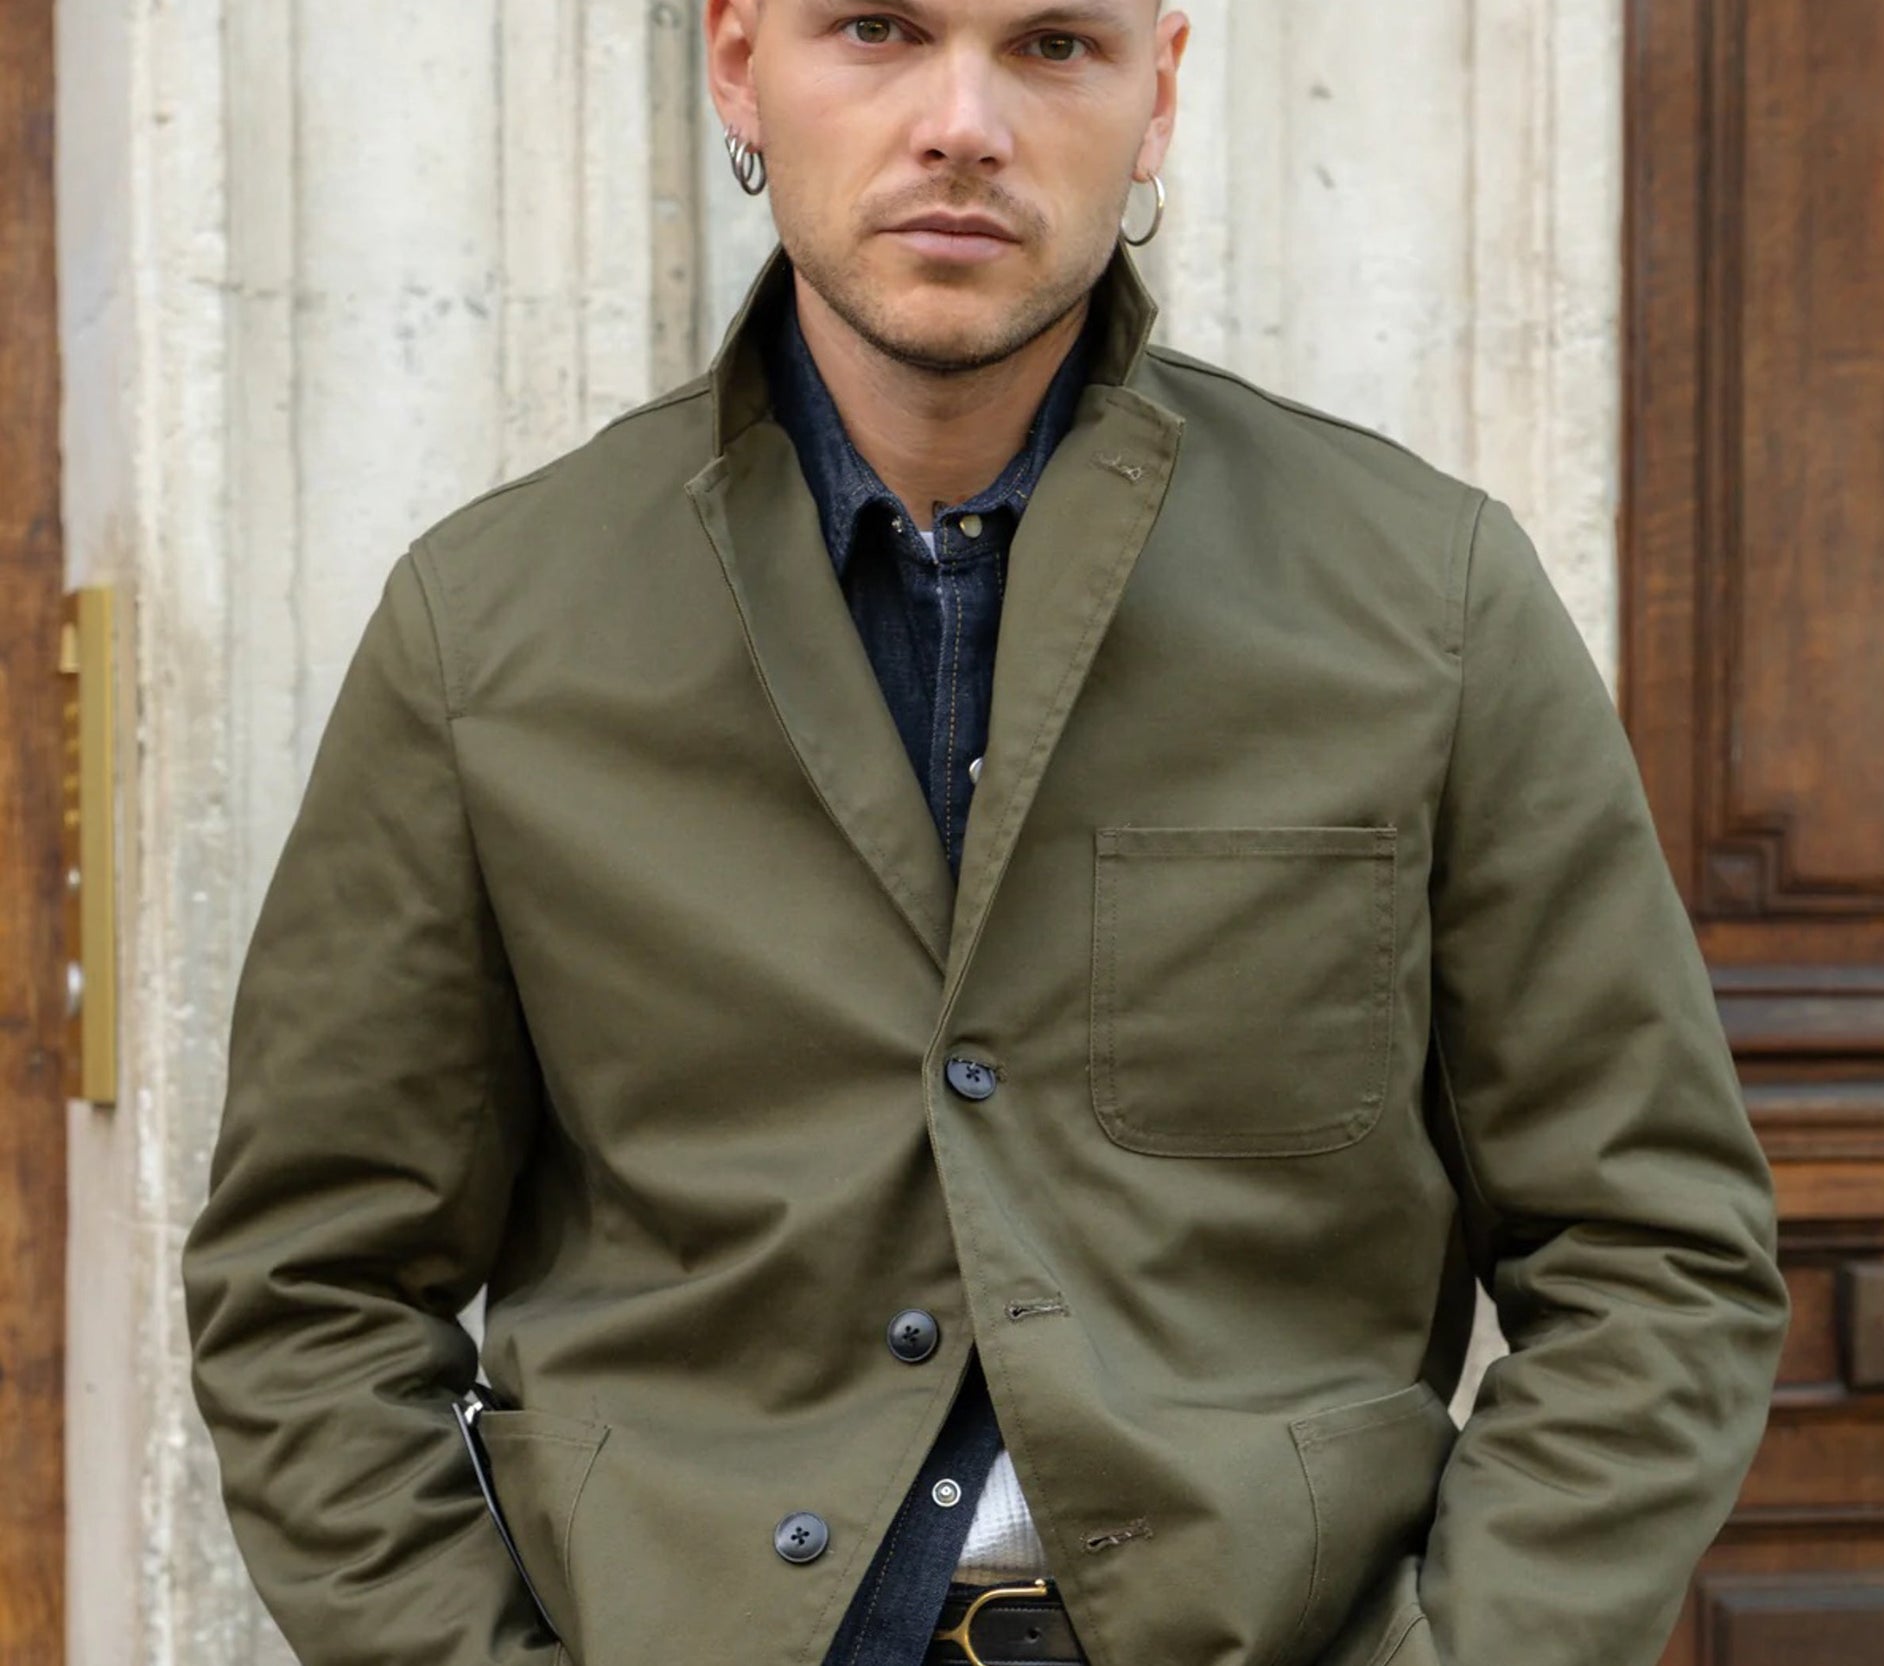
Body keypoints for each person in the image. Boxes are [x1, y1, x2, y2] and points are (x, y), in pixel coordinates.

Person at [180, 2, 1790, 1664]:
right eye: (877, 29)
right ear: (739, 63)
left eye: (1052, 45)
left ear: (1157, 95)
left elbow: (1654, 1255)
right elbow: (310, 1292)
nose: (963, 121)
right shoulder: (489, 629)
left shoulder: (1426, 600)